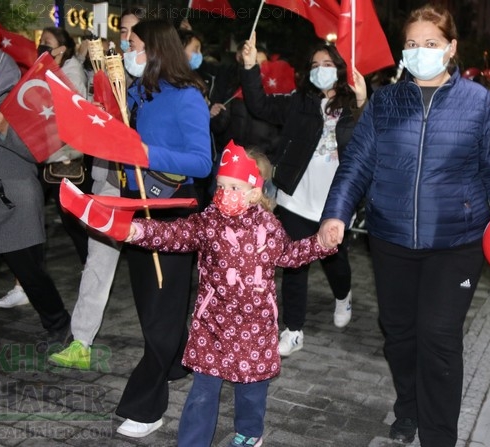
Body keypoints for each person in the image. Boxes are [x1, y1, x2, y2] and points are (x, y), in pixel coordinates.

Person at [318, 4, 490, 445]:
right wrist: (335, 213)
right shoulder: (386, 103)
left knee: (439, 336)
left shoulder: (478, 104)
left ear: (450, 49)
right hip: (391, 238)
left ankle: (438, 434)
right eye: (412, 45)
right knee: (399, 333)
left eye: (430, 44)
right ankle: (408, 406)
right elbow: (356, 164)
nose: (420, 52)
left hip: (456, 243)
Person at [114, 141, 335, 447]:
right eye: (220, 186)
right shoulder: (208, 222)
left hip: (254, 326)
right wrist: (136, 231)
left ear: (254, 192)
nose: (224, 194)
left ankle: (249, 432)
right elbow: (176, 233)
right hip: (212, 324)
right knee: (202, 393)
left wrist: (320, 244)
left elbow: (289, 255)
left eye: (233, 187)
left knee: (251, 390)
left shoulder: (268, 228)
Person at [114, 19, 212, 438]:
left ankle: (146, 405)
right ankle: (176, 361)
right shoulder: (134, 93)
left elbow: (201, 162)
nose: (125, 50)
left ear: (153, 49)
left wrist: (145, 152)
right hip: (137, 208)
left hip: (171, 213)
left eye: (132, 43)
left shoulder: (186, 96)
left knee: (160, 312)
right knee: (151, 305)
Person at [240, 33, 367, 357]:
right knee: (295, 265)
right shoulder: (301, 102)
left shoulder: (355, 103)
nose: (320, 70)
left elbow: (374, 138)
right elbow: (260, 105)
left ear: (340, 69)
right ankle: (293, 330)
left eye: (327, 64)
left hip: (335, 202)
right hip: (295, 198)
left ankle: (343, 294)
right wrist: (252, 67)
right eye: (315, 65)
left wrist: (364, 103)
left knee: (335, 262)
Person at [0, 51, 71, 358]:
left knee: (31, 276)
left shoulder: (19, 106)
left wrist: (7, 130)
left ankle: (59, 325)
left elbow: (41, 151)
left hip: (13, 210)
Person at [47, 8, 143, 372]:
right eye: (124, 33)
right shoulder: (102, 72)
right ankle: (81, 340)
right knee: (97, 261)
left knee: (156, 272)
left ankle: (170, 348)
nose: (126, 40)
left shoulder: (158, 82)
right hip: (108, 181)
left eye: (133, 34)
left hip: (147, 188)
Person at [0, 26, 91, 308]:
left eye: (47, 44)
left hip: (62, 161)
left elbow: (65, 112)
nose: (42, 48)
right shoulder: (48, 70)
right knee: (32, 221)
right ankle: (23, 284)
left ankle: (92, 271)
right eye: (40, 43)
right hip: (43, 159)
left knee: (74, 224)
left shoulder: (69, 73)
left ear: (63, 48)